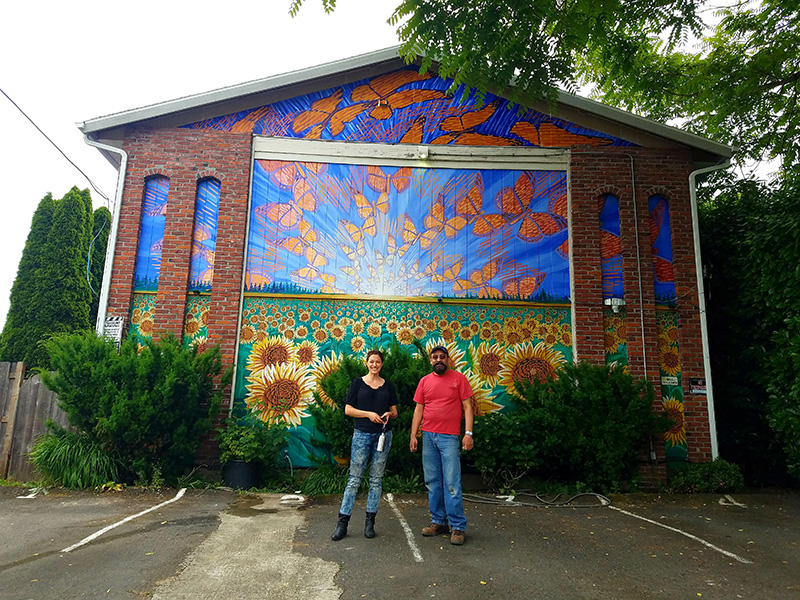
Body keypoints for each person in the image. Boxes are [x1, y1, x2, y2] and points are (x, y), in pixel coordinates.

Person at [409, 345, 474, 546]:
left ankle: (457, 527)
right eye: (435, 357)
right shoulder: (424, 381)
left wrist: (468, 434)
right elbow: (419, 409)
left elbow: (467, 406)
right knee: (433, 481)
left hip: (450, 438)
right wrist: (413, 435)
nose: (439, 360)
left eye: (442, 357)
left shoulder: (459, 379)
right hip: (428, 437)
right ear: (430, 360)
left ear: (448, 359)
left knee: (452, 483)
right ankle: (438, 521)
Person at [331, 349, 398, 541]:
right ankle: (342, 524)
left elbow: (394, 411)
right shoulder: (357, 384)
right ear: (366, 363)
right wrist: (368, 414)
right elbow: (348, 410)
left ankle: (370, 523)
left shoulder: (388, 386)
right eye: (371, 362)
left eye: (378, 362)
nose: (374, 365)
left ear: (381, 364)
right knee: (354, 479)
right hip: (361, 435)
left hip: (383, 436)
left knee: (376, 480)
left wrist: (389, 415)